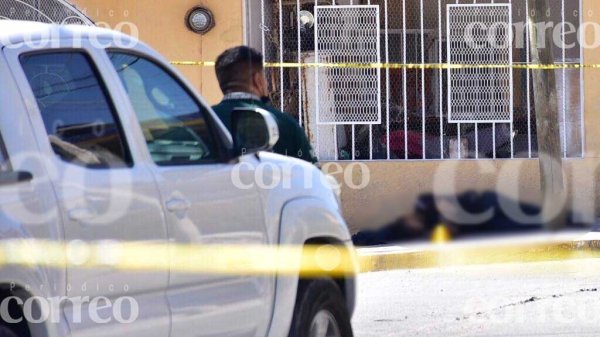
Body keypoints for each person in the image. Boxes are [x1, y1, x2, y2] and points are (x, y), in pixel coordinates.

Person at [212, 46, 318, 164]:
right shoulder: (285, 124)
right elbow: (313, 174)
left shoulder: (205, 121)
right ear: (258, 80)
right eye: (264, 77)